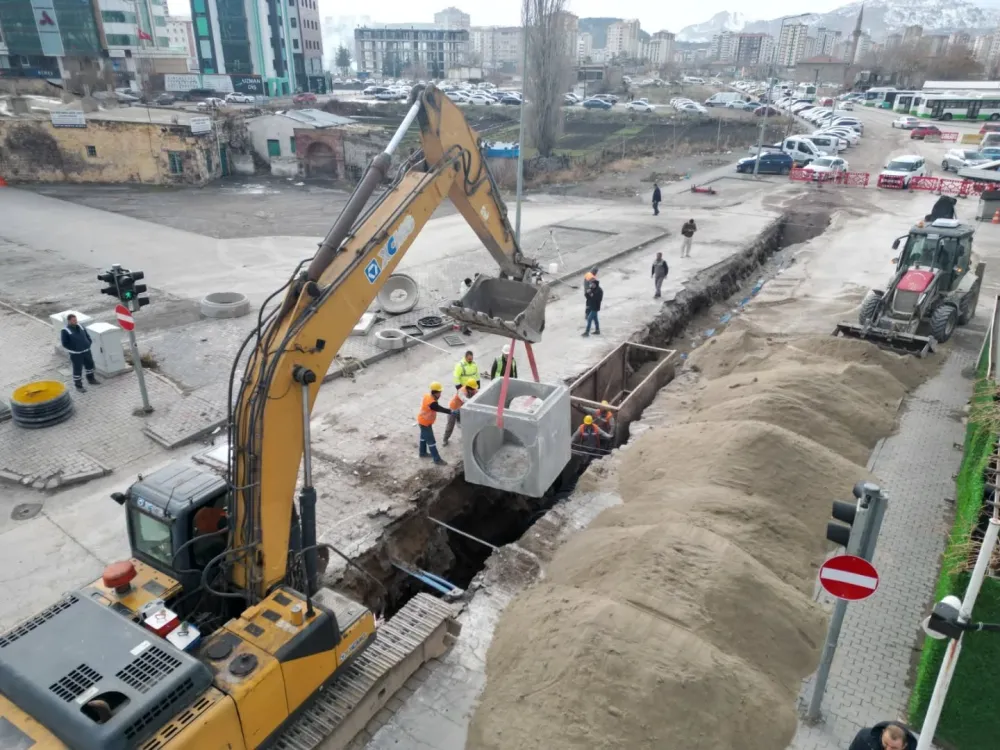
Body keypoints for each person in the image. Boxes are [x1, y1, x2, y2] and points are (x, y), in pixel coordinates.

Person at [61, 314, 99, 392]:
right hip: (76, 354)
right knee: (77, 369)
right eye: (73, 320)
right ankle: (79, 386)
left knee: (90, 365)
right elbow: (65, 343)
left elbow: (87, 335)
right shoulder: (65, 331)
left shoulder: (80, 326)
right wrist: (74, 349)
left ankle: (91, 379)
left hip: (86, 351)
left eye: (76, 320)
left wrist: (88, 343)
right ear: (69, 321)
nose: (75, 321)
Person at [416, 382, 451, 465]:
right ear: (436, 392)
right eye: (440, 393)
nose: (440, 394)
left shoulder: (428, 396)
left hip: (423, 420)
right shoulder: (432, 403)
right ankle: (437, 459)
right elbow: (439, 408)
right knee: (431, 441)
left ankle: (422, 453)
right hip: (425, 423)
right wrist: (450, 411)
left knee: (423, 437)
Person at [442, 378, 478, 446]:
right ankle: (445, 439)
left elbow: (478, 394)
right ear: (469, 388)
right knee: (450, 426)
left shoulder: (474, 390)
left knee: (465, 424)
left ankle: (466, 435)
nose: (474, 390)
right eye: (473, 389)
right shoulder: (461, 391)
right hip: (453, 409)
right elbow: (465, 400)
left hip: (462, 409)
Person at [848, 721, 916, 750]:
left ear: (904, 746)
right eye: (886, 743)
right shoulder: (864, 737)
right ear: (883, 733)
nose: (888, 749)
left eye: (894, 748)